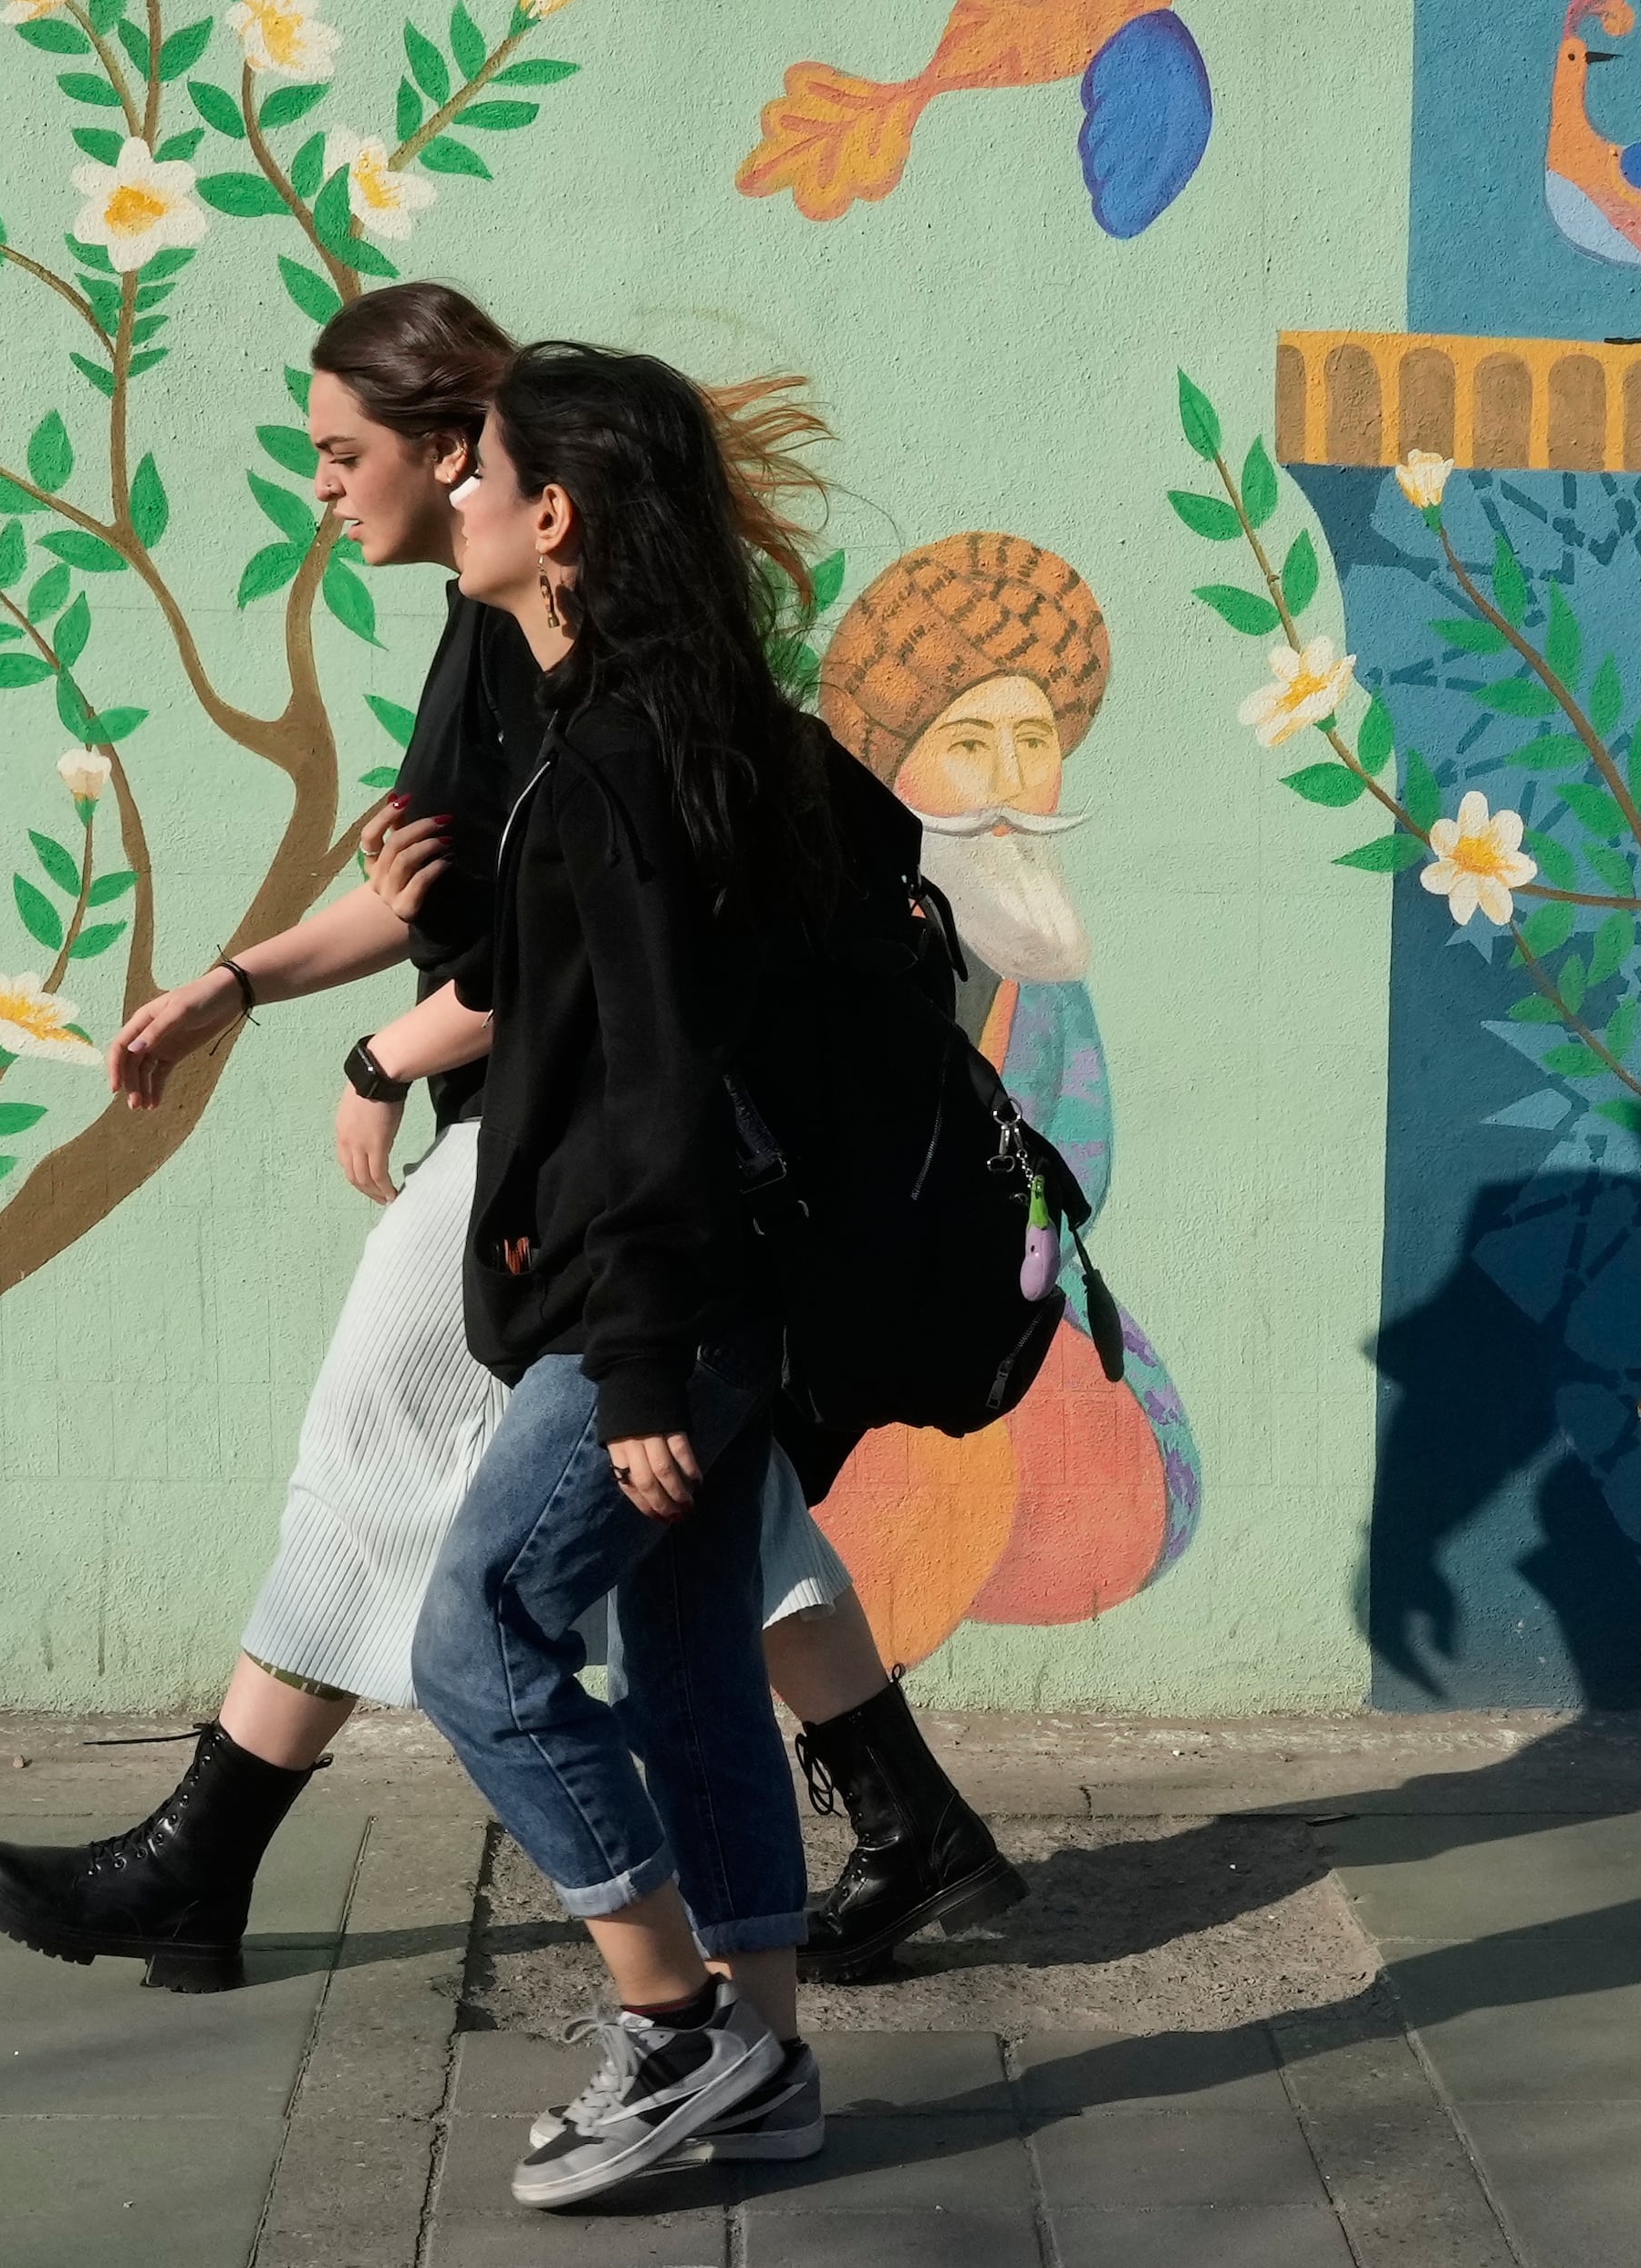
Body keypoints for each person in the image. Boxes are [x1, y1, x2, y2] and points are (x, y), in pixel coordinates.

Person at [0, 286, 1011, 2007]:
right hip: (582, 1156)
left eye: (342, 451)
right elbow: (465, 898)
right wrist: (238, 985)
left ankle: (645, 1990)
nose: (324, 486)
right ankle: (861, 1862)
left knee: (456, 1527)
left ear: (475, 464)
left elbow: (598, 974)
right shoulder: (501, 633)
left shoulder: (581, 680)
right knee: (674, 1511)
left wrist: (388, 1048)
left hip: (592, 1158)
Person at [410, 340, 918, 2208]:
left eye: (474, 468)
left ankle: (679, 2020)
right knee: (695, 1661)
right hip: (723, 1291)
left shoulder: (616, 756)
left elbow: (656, 1077)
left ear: (553, 518)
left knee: (478, 1638)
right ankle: (767, 2063)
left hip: (659, 1305)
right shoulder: (695, 732)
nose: (450, 491)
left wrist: (633, 1363)